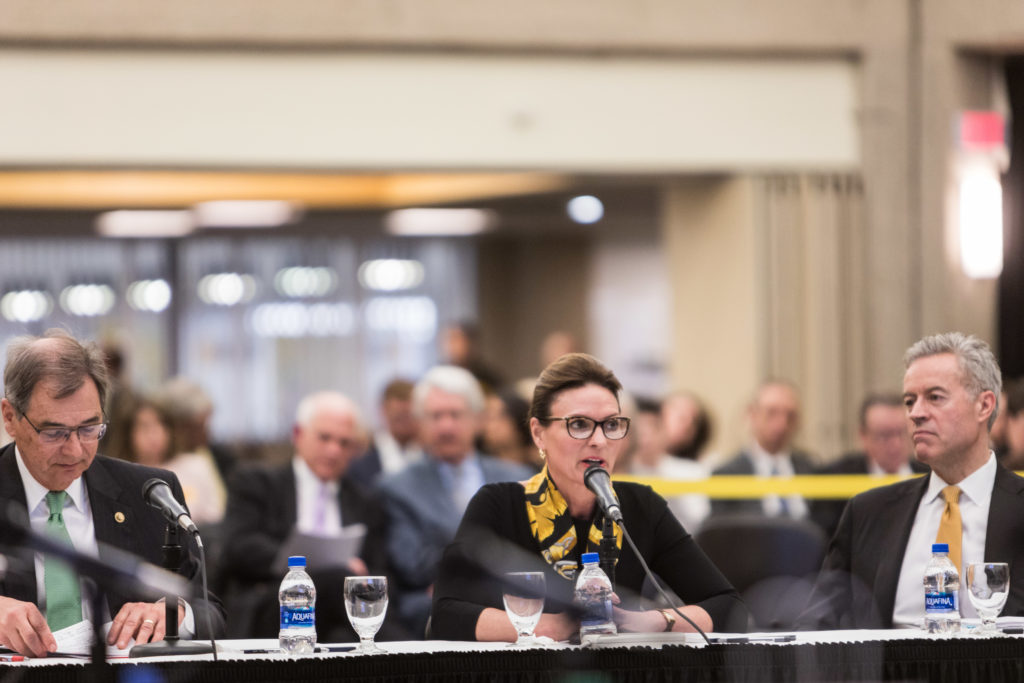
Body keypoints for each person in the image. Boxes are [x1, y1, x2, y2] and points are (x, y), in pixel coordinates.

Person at [431, 353, 747, 641]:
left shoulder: (639, 506)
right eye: (579, 425)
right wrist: (555, 626)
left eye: (611, 425)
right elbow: (445, 615)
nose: (598, 440)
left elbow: (729, 607)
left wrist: (651, 620)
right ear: (538, 433)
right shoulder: (498, 504)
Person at [0, 330, 225, 657]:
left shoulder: (149, 494)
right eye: (55, 432)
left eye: (90, 429)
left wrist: (174, 614)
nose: (75, 449)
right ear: (10, 417)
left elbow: (211, 610)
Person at [800, 332, 1024, 629]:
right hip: (891, 672)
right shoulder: (868, 512)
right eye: (910, 401)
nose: (916, 414)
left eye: (935, 397)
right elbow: (816, 625)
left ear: (984, 406)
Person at [220, 391, 398, 640]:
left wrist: (363, 576)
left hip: (339, 614)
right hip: (273, 600)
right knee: (339, 580)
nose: (334, 450)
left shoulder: (365, 502)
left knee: (343, 632)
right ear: (298, 435)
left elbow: (381, 569)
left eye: (344, 443)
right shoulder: (258, 483)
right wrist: (312, 564)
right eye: (324, 438)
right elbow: (239, 546)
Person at [379, 366, 533, 637]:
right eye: (435, 416)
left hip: (513, 600)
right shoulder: (397, 487)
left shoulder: (518, 479)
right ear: (419, 423)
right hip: (435, 606)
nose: (446, 426)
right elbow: (413, 563)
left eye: (455, 415)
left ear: (478, 419)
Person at [810, 394, 928, 539]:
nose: (896, 444)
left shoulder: (931, 474)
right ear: (863, 436)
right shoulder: (834, 479)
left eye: (902, 433)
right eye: (885, 435)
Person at [711, 380, 815, 520]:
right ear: (752, 414)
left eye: (790, 415)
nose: (782, 424)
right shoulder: (726, 476)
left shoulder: (811, 468)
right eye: (771, 413)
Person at [348, 379, 423, 488]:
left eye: (408, 416)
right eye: (398, 418)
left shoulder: (433, 456)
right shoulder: (361, 457)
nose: (404, 425)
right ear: (383, 411)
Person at [482, 387, 542, 471]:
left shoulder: (541, 472)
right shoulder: (478, 472)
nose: (488, 424)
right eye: (487, 416)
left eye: (496, 417)